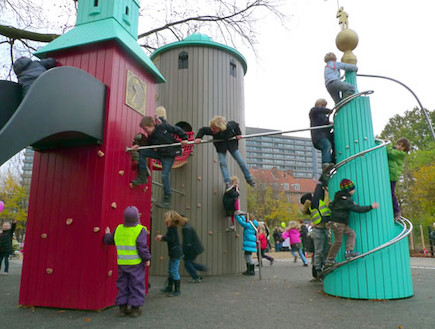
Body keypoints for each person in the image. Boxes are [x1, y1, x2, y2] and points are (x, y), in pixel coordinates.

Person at [130, 116, 189, 208]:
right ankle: (142, 177)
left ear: (152, 125)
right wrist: (137, 146)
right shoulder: (151, 136)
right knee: (142, 152)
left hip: (169, 155)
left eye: (146, 129)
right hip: (160, 154)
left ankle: (167, 200)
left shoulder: (163, 127)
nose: (146, 132)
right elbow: (148, 146)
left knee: (165, 175)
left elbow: (177, 129)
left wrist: (184, 138)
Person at [103, 206, 151, 317]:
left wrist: (107, 234)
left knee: (122, 285)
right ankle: (135, 309)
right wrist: (147, 258)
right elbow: (142, 247)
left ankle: (122, 309)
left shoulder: (119, 229)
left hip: (122, 264)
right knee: (136, 285)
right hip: (136, 264)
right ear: (137, 218)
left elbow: (109, 240)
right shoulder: (140, 230)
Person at [325, 179, 379, 267]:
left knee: (351, 233)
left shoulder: (338, 197)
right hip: (338, 223)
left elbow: (332, 206)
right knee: (338, 241)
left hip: (338, 223)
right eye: (353, 189)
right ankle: (329, 259)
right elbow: (357, 209)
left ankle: (349, 252)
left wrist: (330, 204)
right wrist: (371, 207)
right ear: (349, 190)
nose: (354, 190)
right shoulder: (347, 201)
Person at [194, 116, 256, 188]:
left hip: (231, 145)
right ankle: (227, 182)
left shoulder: (229, 127)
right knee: (222, 163)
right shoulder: (212, 130)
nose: (212, 130)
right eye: (211, 127)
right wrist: (198, 137)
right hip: (221, 146)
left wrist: (238, 133)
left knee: (240, 161)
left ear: (220, 128)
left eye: (214, 128)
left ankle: (249, 178)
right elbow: (203, 130)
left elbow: (236, 125)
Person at [300, 179, 331, 280]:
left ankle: (318, 269)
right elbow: (318, 193)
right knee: (323, 250)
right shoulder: (315, 204)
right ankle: (320, 268)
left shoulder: (310, 208)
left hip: (318, 229)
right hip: (323, 229)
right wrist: (320, 183)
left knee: (319, 251)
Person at [155, 211, 184, 296]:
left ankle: (177, 290)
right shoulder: (171, 228)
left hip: (175, 252)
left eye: (165, 218)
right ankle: (170, 287)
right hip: (174, 252)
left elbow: (171, 239)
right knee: (170, 270)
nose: (164, 220)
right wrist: (162, 238)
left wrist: (162, 237)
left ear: (170, 219)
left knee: (174, 271)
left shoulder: (172, 228)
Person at [386, 137, 411, 220]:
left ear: (405, 149)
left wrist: (388, 143)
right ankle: (393, 210)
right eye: (399, 144)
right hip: (389, 175)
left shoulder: (400, 154)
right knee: (389, 193)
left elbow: (390, 153)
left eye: (402, 146)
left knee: (391, 193)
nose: (400, 147)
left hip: (392, 176)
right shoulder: (395, 151)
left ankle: (396, 211)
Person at [309, 98, 335, 172]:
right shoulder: (313, 111)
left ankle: (332, 160)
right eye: (322, 105)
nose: (323, 107)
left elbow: (326, 123)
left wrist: (330, 123)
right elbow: (318, 109)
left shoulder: (324, 117)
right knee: (326, 145)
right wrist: (329, 111)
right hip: (318, 136)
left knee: (334, 143)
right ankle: (325, 163)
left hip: (325, 135)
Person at [180, 215, 207, 283]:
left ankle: (196, 277)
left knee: (187, 263)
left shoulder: (186, 229)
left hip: (191, 249)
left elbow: (187, 242)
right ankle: (202, 268)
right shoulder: (188, 226)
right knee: (190, 262)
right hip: (195, 248)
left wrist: (183, 251)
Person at [235, 211, 258, 276]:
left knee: (248, 256)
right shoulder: (252, 224)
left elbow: (242, 223)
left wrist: (237, 216)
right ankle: (249, 269)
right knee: (246, 256)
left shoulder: (249, 225)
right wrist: (241, 216)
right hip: (250, 243)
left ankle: (251, 270)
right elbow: (244, 221)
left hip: (249, 243)